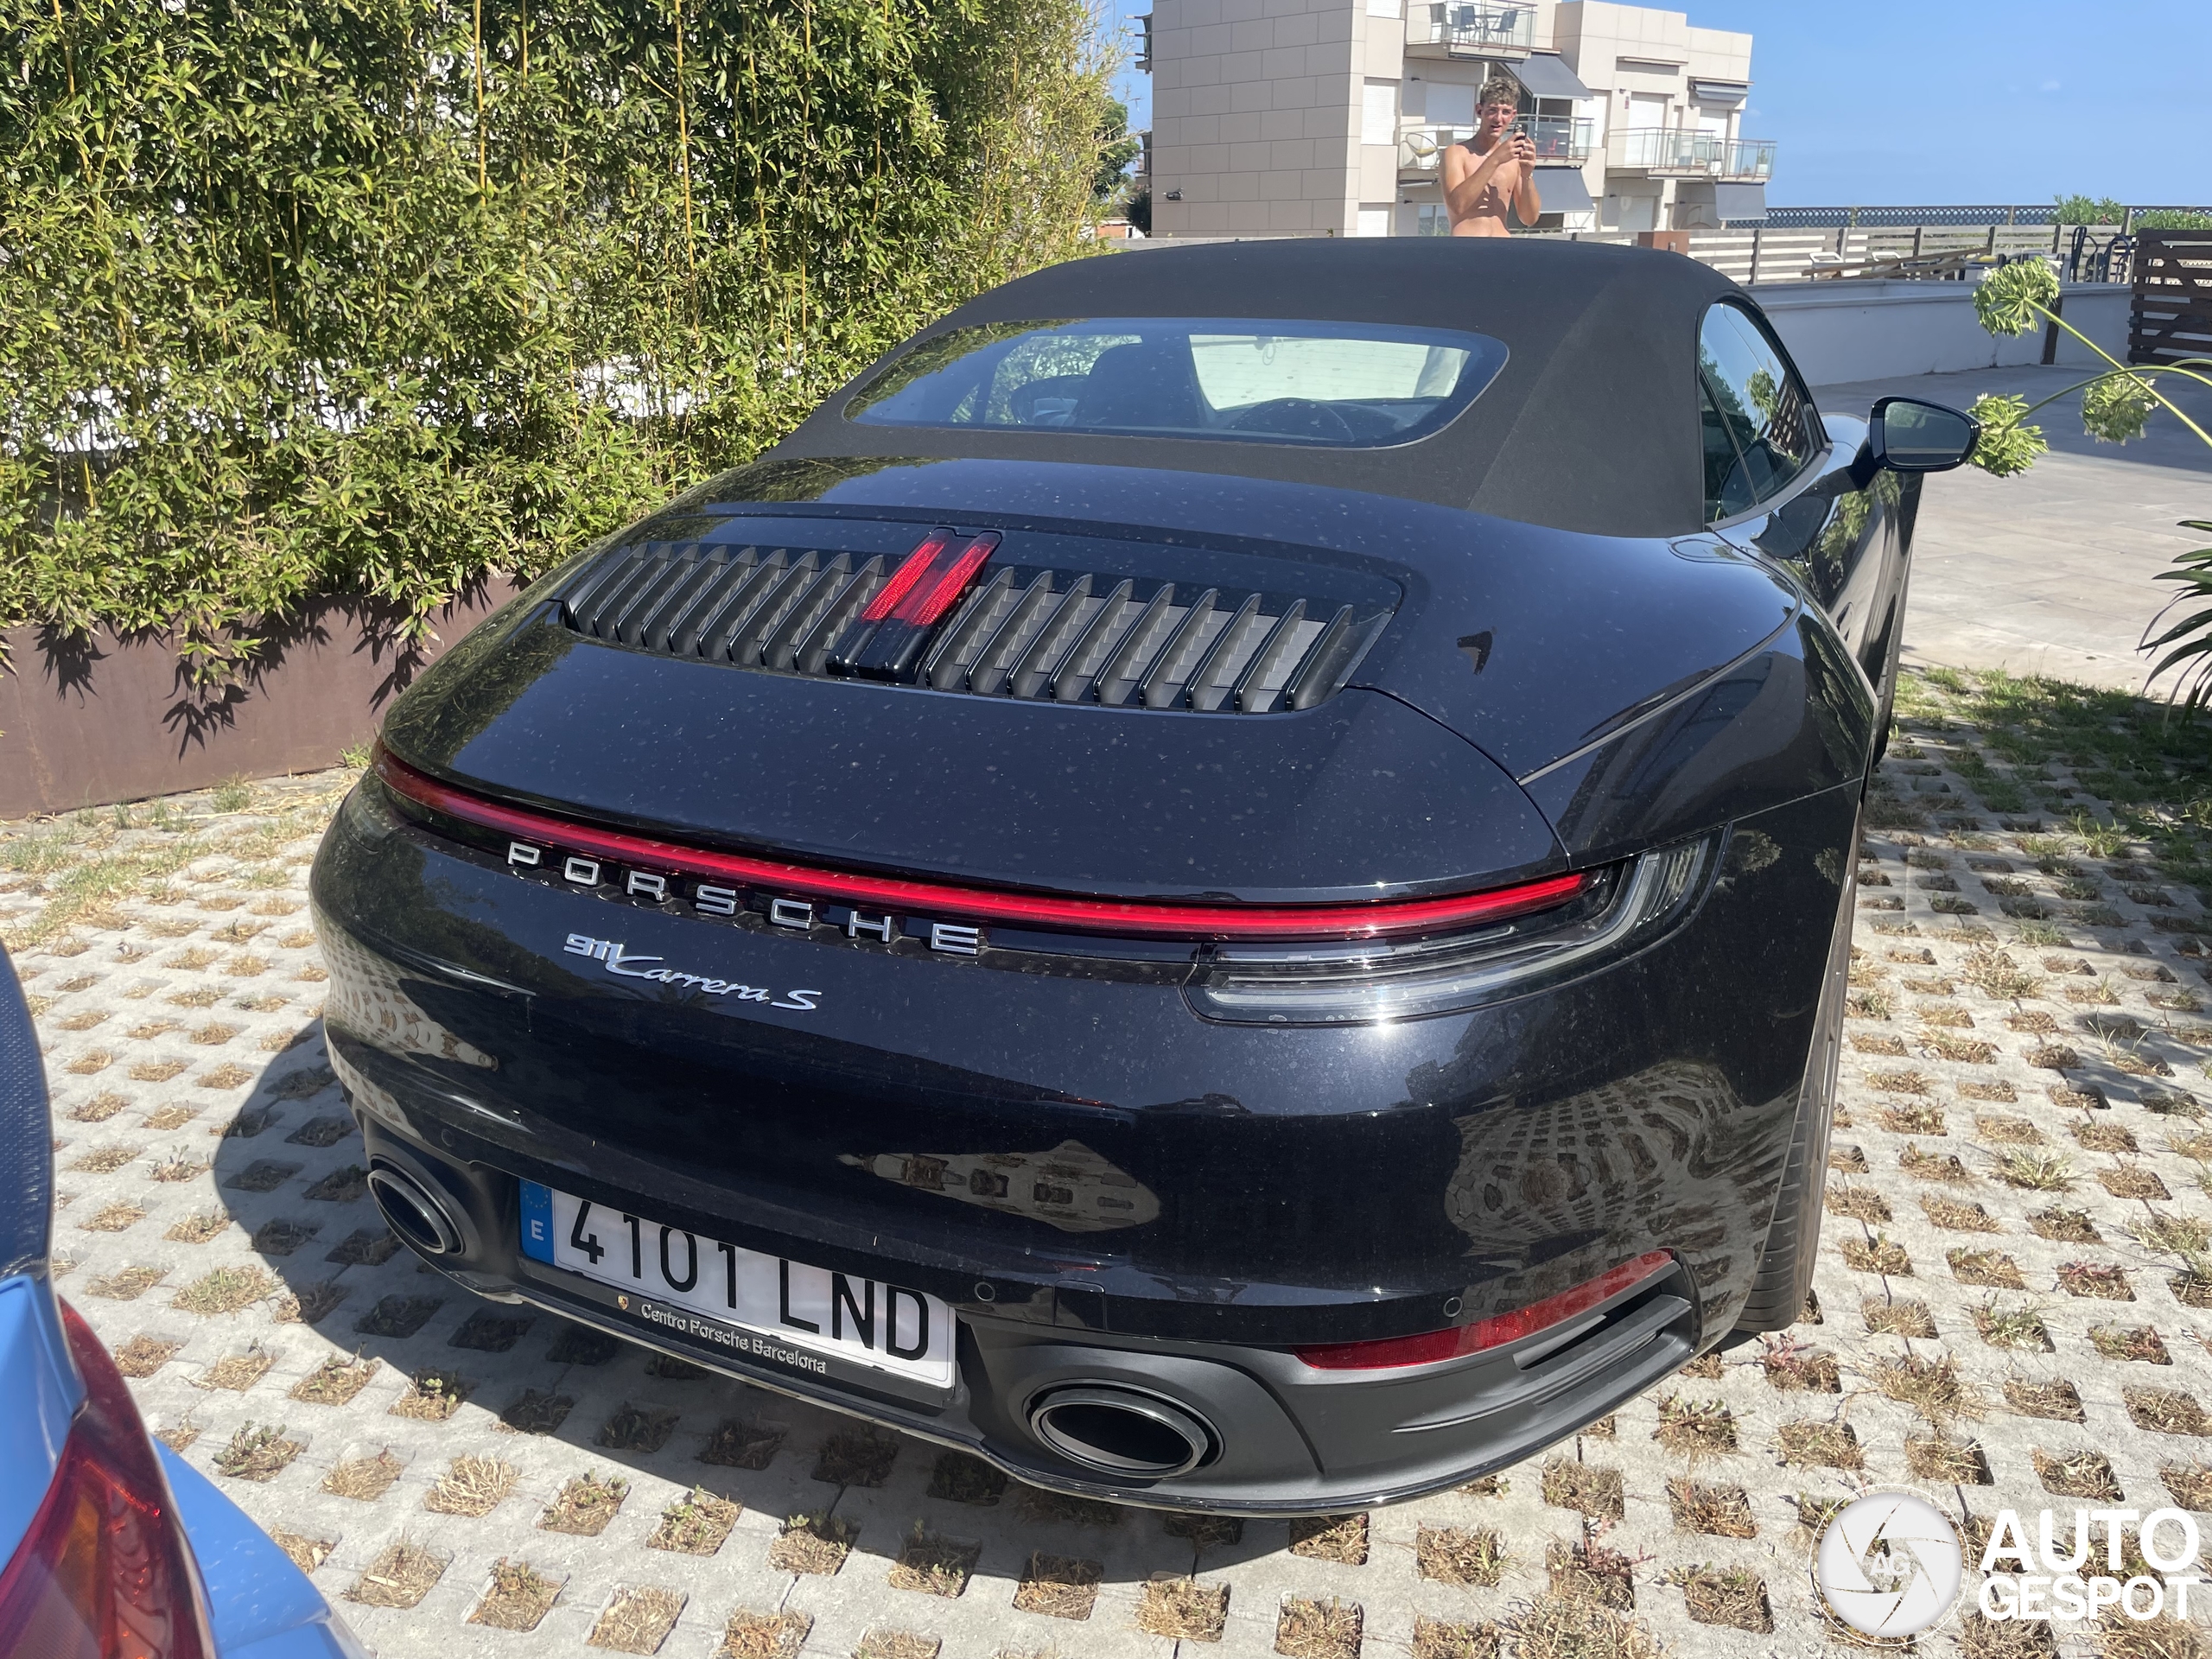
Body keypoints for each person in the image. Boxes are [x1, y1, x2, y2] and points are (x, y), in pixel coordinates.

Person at [1441, 77, 1539, 237]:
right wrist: (1495, 160)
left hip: (1502, 249)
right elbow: (1457, 205)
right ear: (1479, 111)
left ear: (1513, 115)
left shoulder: (1513, 159)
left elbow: (1530, 218)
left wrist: (1527, 175)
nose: (1498, 119)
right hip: (1466, 249)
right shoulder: (1456, 153)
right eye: (1492, 110)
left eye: (1506, 112)